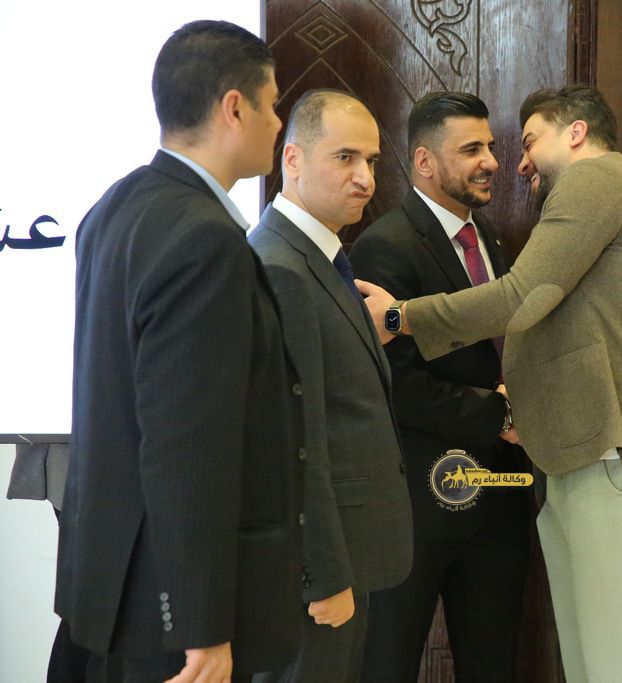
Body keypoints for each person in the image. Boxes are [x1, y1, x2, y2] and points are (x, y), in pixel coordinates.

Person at [357, 84, 622, 683]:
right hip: (589, 456)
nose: (516, 163)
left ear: (576, 134)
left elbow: (520, 298)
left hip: (620, 450)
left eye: (529, 141)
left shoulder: (596, 181)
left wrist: (398, 317)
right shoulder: (605, 193)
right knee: (599, 665)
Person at [56, 20, 305, 682]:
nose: (278, 123)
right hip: (167, 615)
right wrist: (201, 626)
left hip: (109, 587)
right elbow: (186, 444)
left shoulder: (114, 206)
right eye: (272, 104)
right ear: (234, 108)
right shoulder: (205, 239)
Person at [348, 91, 531, 683]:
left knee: (493, 667)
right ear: (424, 162)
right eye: (472, 149)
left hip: (498, 500)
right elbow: (394, 385)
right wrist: (500, 415)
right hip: (420, 508)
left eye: (491, 147)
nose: (492, 162)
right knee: (387, 665)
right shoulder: (385, 246)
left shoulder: (491, 240)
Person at [247, 90, 413, 683]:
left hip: (347, 555)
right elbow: (292, 442)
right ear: (292, 159)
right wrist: (322, 576)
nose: (365, 178)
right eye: (345, 158)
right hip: (317, 573)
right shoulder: (279, 265)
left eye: (371, 160)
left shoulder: (320, 258)